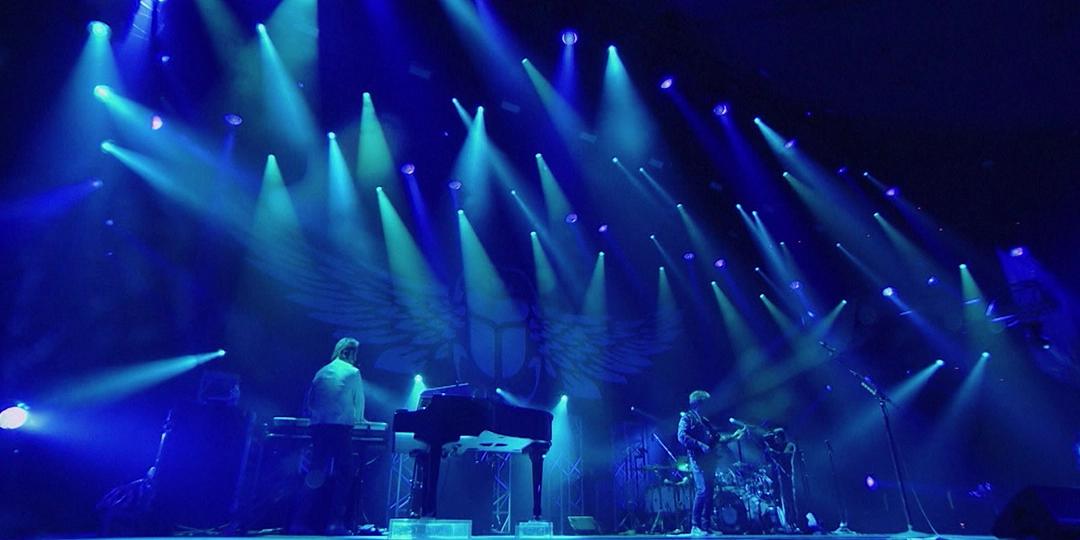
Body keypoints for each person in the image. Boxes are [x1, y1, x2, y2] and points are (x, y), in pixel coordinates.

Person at [302, 337, 366, 535]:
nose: (356, 359)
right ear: (349, 353)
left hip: (318, 427)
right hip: (339, 428)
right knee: (344, 474)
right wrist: (360, 420)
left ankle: (304, 522)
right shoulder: (353, 373)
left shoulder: (320, 372)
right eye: (355, 354)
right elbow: (359, 404)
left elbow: (309, 403)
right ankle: (335, 523)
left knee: (315, 474)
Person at [677, 390, 746, 536]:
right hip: (697, 459)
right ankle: (695, 526)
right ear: (698, 403)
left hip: (710, 461)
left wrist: (733, 437)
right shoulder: (687, 418)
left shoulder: (706, 421)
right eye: (706, 403)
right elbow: (682, 436)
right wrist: (700, 445)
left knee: (709, 493)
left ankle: (706, 525)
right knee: (702, 491)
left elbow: (716, 439)